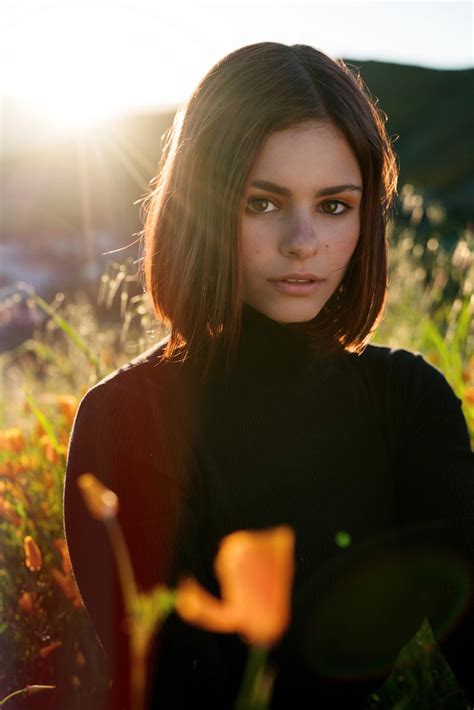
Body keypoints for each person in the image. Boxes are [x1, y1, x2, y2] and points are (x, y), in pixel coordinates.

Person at [63, 41, 474, 709]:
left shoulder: (409, 403)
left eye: (335, 205)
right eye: (263, 203)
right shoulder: (125, 422)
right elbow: (175, 688)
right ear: (201, 208)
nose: (303, 242)